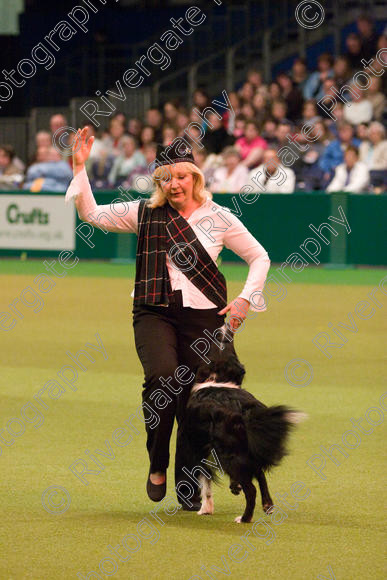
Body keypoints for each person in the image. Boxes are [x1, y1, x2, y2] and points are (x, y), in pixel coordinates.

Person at [66, 128, 270, 509]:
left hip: (205, 317)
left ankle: (189, 481)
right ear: (158, 181)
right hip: (153, 311)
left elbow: (260, 257)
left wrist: (244, 300)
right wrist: (80, 168)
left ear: (195, 177)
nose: (174, 184)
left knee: (197, 399)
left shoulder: (219, 217)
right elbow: (91, 214)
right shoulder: (144, 213)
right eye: (165, 178)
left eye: (181, 176)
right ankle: (157, 463)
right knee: (162, 379)